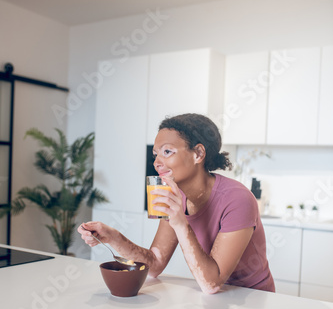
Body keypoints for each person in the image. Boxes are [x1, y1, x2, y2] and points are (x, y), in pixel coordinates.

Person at [78, 113, 275, 294]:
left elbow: (211, 283)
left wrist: (180, 223)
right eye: (156, 154)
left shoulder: (237, 199)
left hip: (252, 299)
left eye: (167, 151)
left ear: (198, 153)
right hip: (213, 300)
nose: (156, 162)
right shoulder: (173, 194)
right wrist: (113, 237)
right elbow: (154, 264)